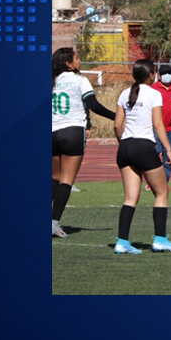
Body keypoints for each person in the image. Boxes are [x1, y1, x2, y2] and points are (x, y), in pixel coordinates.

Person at [111, 59, 171, 254]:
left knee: (130, 198)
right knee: (161, 192)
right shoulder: (154, 94)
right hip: (144, 146)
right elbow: (158, 125)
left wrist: (124, 142)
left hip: (125, 146)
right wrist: (168, 149)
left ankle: (122, 241)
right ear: (152, 75)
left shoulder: (124, 93)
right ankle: (160, 239)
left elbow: (117, 125)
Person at [51, 47, 115, 239]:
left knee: (54, 177)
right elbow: (93, 106)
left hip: (51, 132)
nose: (80, 60)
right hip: (72, 132)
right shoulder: (80, 80)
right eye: (77, 58)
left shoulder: (51, 81)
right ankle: (54, 223)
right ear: (68, 64)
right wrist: (116, 115)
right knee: (66, 181)